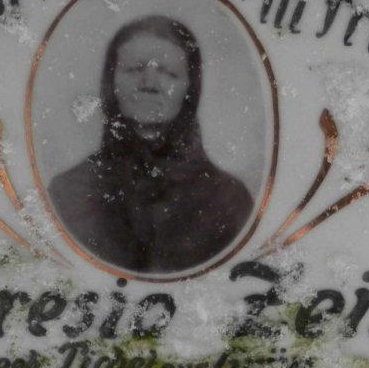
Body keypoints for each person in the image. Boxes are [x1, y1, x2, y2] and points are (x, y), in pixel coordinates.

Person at [48, 14, 254, 274]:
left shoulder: (228, 200)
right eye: (134, 69)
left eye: (169, 73)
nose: (149, 84)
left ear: (190, 88)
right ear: (111, 81)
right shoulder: (68, 193)